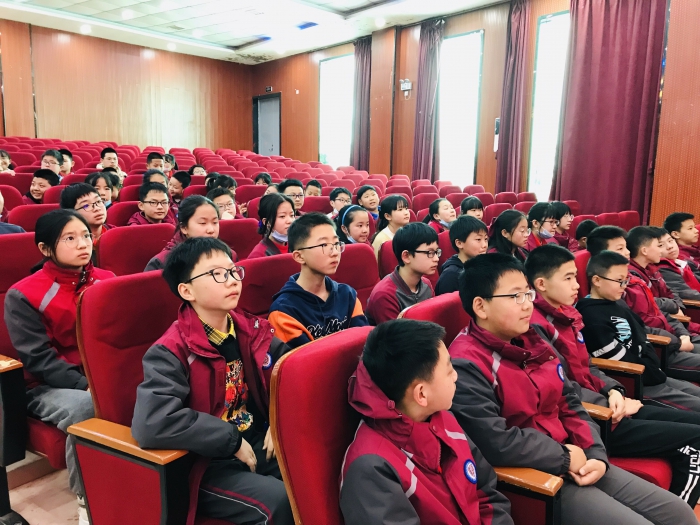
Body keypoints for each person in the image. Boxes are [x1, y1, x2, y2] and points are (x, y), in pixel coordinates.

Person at [448, 253, 698, 525]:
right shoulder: (466, 364)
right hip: (540, 476)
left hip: (576, 454)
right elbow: (496, 442)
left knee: (678, 513)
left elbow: (568, 399)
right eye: (516, 296)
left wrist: (595, 453)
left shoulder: (532, 339)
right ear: (481, 306)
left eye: (527, 294)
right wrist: (564, 457)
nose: (528, 305)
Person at [131, 237, 293, 525]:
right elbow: (152, 421)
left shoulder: (250, 329)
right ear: (186, 290)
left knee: (313, 472)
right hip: (207, 464)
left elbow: (293, 371)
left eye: (233, 271)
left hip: (255, 440)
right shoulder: (170, 350)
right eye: (217, 274)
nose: (231, 281)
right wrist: (229, 440)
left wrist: (279, 418)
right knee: (279, 501)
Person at [526, 244, 700, 506]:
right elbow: (563, 388)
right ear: (541, 284)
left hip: (610, 405)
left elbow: (589, 367)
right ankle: (682, 507)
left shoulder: (568, 315)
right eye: (569, 278)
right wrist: (607, 402)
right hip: (598, 419)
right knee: (695, 439)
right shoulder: (537, 328)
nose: (577, 285)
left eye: (575, 276)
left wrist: (614, 390)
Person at [340, 319, 514, 525]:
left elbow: (486, 492)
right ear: (421, 394)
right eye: (449, 370)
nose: (456, 376)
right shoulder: (371, 470)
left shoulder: (444, 420)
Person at [4, 210, 115, 525]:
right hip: (46, 386)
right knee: (87, 407)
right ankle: (87, 501)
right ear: (45, 248)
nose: (83, 244)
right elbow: (39, 360)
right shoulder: (23, 294)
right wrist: (87, 385)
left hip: (100, 375)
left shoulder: (108, 280)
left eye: (86, 235)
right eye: (70, 238)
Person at [577, 250, 700, 411]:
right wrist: (652, 370)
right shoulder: (591, 318)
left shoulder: (617, 302)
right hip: (638, 383)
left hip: (653, 372)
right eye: (619, 281)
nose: (624, 286)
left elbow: (641, 332)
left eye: (626, 280)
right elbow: (619, 361)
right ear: (597, 280)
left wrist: (654, 367)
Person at [588, 226, 700, 382]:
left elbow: (656, 313)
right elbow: (642, 328)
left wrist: (682, 333)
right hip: (661, 350)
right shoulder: (619, 290)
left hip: (668, 340)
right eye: (620, 249)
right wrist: (677, 341)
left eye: (626, 247)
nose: (628, 252)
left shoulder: (633, 280)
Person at [268, 213, 368, 349]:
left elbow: (363, 344)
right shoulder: (284, 311)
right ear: (299, 256)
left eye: (336, 243)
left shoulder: (347, 295)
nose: (335, 252)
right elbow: (304, 359)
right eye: (323, 245)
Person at [366, 223, 438, 325]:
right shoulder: (385, 295)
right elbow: (397, 334)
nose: (436, 258)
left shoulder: (426, 285)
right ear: (406, 256)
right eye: (429, 253)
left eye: (436, 252)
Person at [145, 196, 226, 272]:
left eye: (215, 222)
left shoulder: (227, 255)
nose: (211, 230)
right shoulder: (161, 264)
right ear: (184, 228)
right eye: (203, 223)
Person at [627, 226, 684, 315]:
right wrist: (674, 307)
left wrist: (678, 306)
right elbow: (648, 301)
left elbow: (670, 291)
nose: (660, 251)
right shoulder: (632, 274)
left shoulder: (651, 268)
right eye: (659, 246)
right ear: (644, 251)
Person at [435, 215, 488, 296]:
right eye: (478, 239)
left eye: (486, 239)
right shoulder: (451, 276)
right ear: (459, 243)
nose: (484, 245)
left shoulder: (482, 265)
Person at [60, 183, 112, 250]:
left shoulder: (116, 234)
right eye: (86, 206)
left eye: (99, 201)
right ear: (72, 212)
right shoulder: (69, 243)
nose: (97, 208)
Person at [247, 194, 295, 258]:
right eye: (282, 216)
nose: (290, 221)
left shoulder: (298, 245)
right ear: (267, 222)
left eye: (292, 215)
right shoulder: (259, 255)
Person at [658, 228, 700, 299]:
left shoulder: (681, 260)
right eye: (660, 245)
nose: (669, 247)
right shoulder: (663, 268)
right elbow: (685, 293)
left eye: (670, 241)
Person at [372, 194, 411, 259]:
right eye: (400, 209)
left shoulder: (410, 233)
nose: (406, 213)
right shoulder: (381, 240)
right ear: (388, 216)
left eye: (406, 209)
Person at [664, 212, 700, 280]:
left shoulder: (695, 250)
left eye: (695, 227)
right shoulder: (677, 256)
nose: (696, 231)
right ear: (676, 234)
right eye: (690, 228)